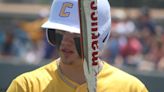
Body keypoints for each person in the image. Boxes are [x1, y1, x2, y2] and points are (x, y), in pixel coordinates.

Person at [7, 0, 148, 92]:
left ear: (100, 36)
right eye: (61, 32)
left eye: (76, 35)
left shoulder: (131, 88)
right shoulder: (27, 86)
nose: (65, 41)